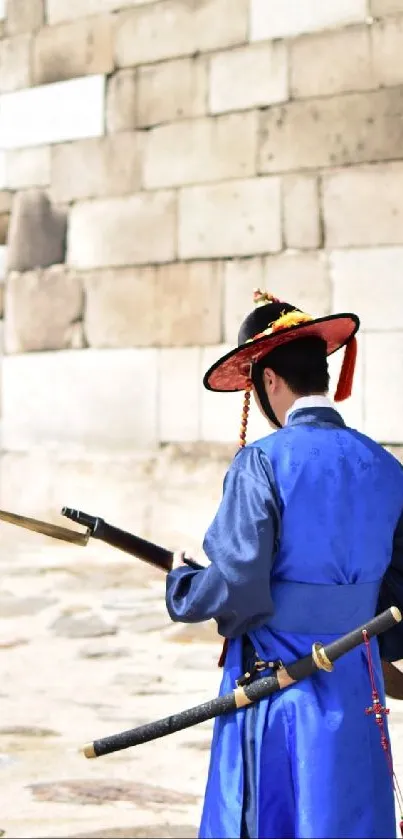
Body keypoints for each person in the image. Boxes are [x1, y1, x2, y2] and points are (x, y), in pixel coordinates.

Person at [165, 290, 403, 839]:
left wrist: (184, 585)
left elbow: (237, 583)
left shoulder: (263, 463)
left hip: (279, 689)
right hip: (354, 682)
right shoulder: (385, 465)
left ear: (269, 380)